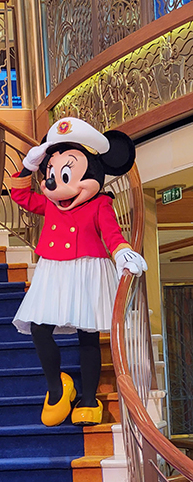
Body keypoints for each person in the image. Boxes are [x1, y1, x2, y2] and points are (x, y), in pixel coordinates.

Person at [11, 117, 147, 426]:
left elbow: (111, 233)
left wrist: (123, 251)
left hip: (88, 268)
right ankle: (58, 389)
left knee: (88, 336)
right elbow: (19, 195)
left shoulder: (100, 204)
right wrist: (27, 168)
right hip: (53, 270)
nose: (56, 183)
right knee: (39, 329)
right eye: (52, 175)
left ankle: (88, 399)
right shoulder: (49, 205)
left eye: (67, 173)